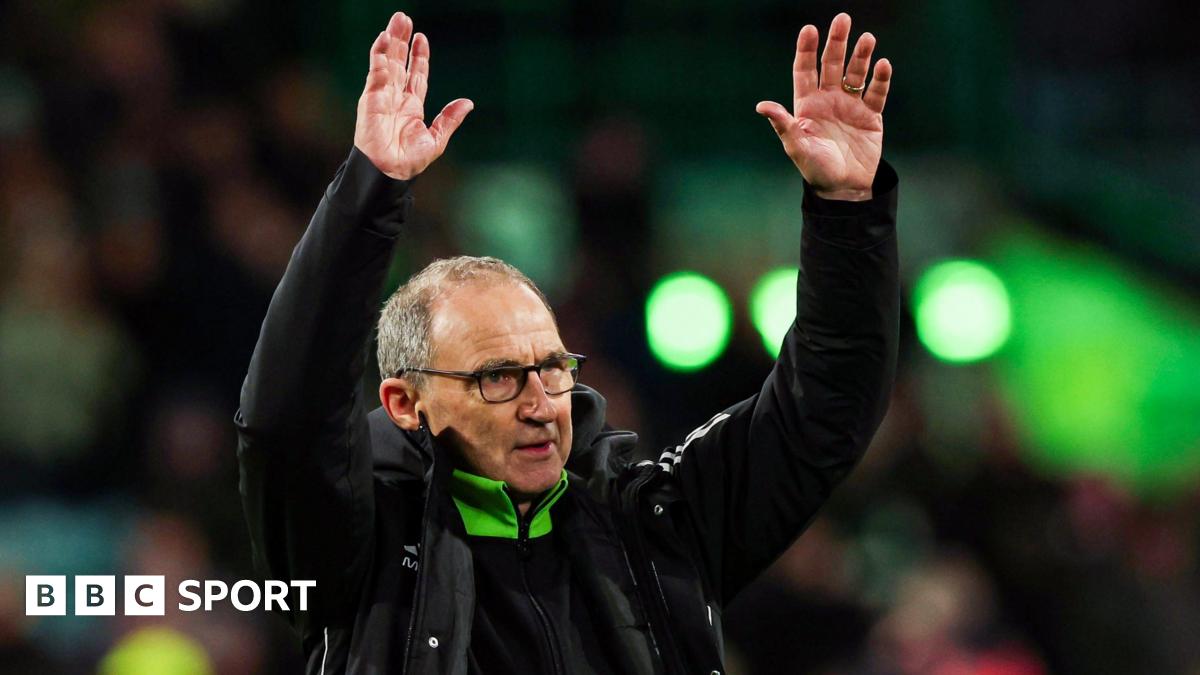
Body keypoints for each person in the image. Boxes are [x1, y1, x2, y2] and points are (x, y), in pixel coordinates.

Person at [236, 10, 899, 674]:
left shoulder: (654, 525)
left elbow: (827, 404)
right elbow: (288, 415)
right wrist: (369, 188)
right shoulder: (361, 549)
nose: (541, 402)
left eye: (552, 369)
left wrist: (846, 208)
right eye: (497, 376)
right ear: (406, 401)